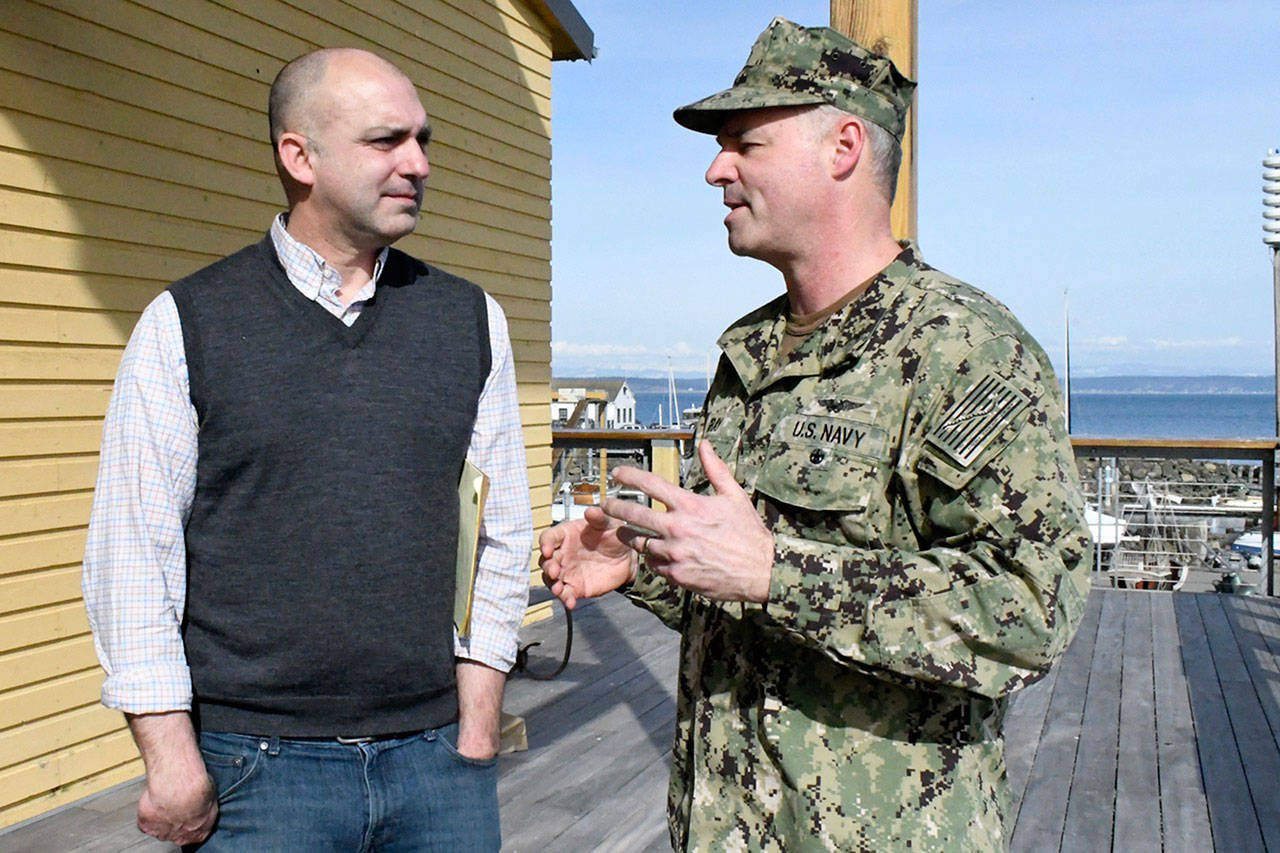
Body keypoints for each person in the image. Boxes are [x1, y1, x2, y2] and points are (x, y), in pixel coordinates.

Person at [539, 18, 1092, 850]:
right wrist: (647, 563)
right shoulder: (750, 353)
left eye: (745, 143)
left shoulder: (963, 350)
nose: (715, 168)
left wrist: (775, 571)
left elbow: (1029, 607)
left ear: (842, 148)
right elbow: (736, 592)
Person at [83, 48, 532, 849]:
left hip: (438, 764)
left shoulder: (468, 319)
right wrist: (171, 757)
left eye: (424, 140)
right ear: (300, 156)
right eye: (386, 140)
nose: (419, 163)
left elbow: (494, 535)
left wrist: (477, 721)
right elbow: (132, 552)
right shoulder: (188, 323)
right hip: (257, 771)